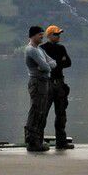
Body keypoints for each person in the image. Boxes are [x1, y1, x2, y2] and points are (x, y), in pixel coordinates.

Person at [23, 25, 57, 153]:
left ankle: (37, 140)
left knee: (41, 111)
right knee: (36, 111)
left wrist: (45, 66)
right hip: (37, 82)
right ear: (32, 35)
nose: (42, 36)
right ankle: (32, 142)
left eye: (42, 34)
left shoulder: (40, 50)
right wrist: (45, 66)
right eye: (40, 35)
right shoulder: (31, 50)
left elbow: (52, 63)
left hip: (44, 82)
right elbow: (47, 67)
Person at [42, 25, 74, 150]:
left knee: (61, 114)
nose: (58, 36)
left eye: (59, 34)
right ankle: (38, 140)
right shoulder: (42, 48)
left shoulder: (61, 47)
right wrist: (59, 62)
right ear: (49, 35)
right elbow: (44, 64)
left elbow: (69, 63)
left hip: (60, 83)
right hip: (48, 83)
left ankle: (61, 142)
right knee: (43, 113)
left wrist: (54, 63)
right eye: (56, 34)